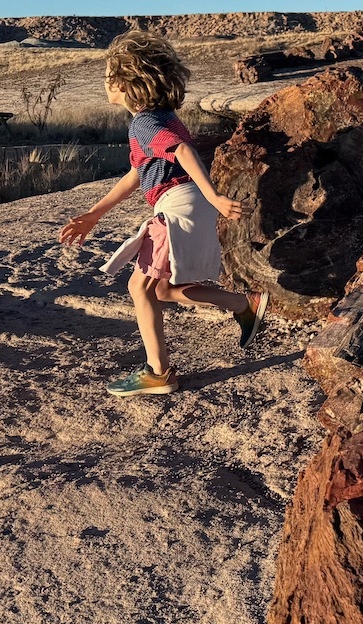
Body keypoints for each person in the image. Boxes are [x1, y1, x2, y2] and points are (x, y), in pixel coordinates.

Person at [59, 30, 268, 397]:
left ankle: (158, 373)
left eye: (109, 76)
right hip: (186, 200)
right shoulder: (160, 116)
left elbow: (183, 151)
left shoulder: (144, 123)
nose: (105, 82)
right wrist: (94, 213)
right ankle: (242, 304)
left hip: (179, 202)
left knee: (138, 285)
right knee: (162, 289)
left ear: (125, 83)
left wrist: (217, 198)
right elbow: (137, 174)